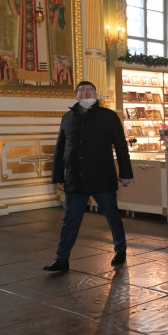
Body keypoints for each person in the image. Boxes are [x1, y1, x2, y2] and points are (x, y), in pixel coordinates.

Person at [44, 81, 133, 272]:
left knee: (112, 216)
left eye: (91, 90)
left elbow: (121, 146)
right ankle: (61, 258)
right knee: (70, 220)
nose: (87, 93)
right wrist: (58, 176)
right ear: (76, 95)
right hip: (75, 178)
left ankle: (120, 250)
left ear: (96, 94)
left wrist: (126, 173)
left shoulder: (108, 116)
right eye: (82, 90)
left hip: (102, 176)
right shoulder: (67, 117)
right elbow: (60, 149)